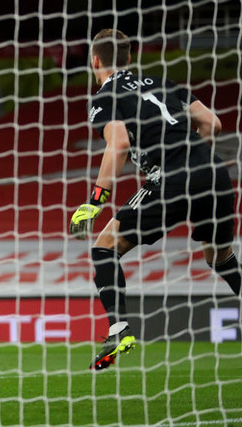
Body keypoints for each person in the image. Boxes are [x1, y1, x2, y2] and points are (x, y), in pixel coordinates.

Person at [69, 28, 239, 371]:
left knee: (105, 247)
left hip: (172, 177)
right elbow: (213, 123)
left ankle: (119, 330)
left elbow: (118, 144)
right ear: (130, 58)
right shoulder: (162, 82)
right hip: (215, 173)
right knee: (219, 258)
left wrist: (96, 200)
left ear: (95, 60)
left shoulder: (104, 98)